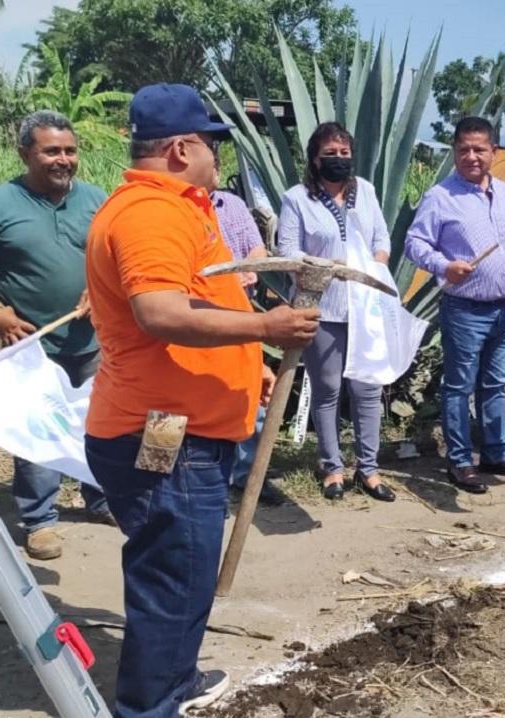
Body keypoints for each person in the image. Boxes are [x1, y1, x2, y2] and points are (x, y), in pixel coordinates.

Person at [84, 82, 319, 716]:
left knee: (178, 573)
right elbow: (160, 312)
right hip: (165, 434)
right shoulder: (152, 213)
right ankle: (149, 706)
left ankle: (172, 679)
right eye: (213, 144)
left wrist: (244, 365)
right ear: (183, 148)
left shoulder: (177, 207)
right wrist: (265, 331)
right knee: (174, 580)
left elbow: (195, 303)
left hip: (174, 427)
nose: (219, 157)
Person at [0, 110, 113, 561]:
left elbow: (118, 260)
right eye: (52, 151)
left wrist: (101, 292)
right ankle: (39, 521)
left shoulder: (98, 200)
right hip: (30, 344)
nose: (64, 159)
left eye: (70, 150)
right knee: (39, 425)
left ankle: (99, 498)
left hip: (95, 340)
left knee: (98, 422)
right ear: (25, 154)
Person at [405, 116, 505, 494]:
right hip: (464, 309)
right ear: (453, 153)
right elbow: (415, 243)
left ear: (495, 152)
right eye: (463, 149)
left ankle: (496, 453)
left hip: (504, 307)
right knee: (459, 387)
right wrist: (444, 265)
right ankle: (460, 461)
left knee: (496, 384)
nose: (471, 156)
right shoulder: (440, 197)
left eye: (479, 149)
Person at [277, 122, 395, 503]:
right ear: (315, 158)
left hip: (364, 308)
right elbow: (288, 251)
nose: (339, 159)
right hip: (322, 309)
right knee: (327, 391)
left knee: (367, 390)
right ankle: (332, 467)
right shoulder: (297, 198)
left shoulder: (368, 193)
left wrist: (372, 265)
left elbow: (382, 239)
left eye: (344, 153)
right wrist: (327, 265)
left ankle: (370, 469)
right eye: (331, 153)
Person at [210, 157, 280, 505]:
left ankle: (248, 476)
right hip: (201, 321)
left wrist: (252, 266)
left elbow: (256, 245)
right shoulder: (173, 212)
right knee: (204, 404)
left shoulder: (233, 205)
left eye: (214, 164)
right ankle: (210, 489)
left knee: (252, 398)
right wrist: (226, 280)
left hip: (244, 316)